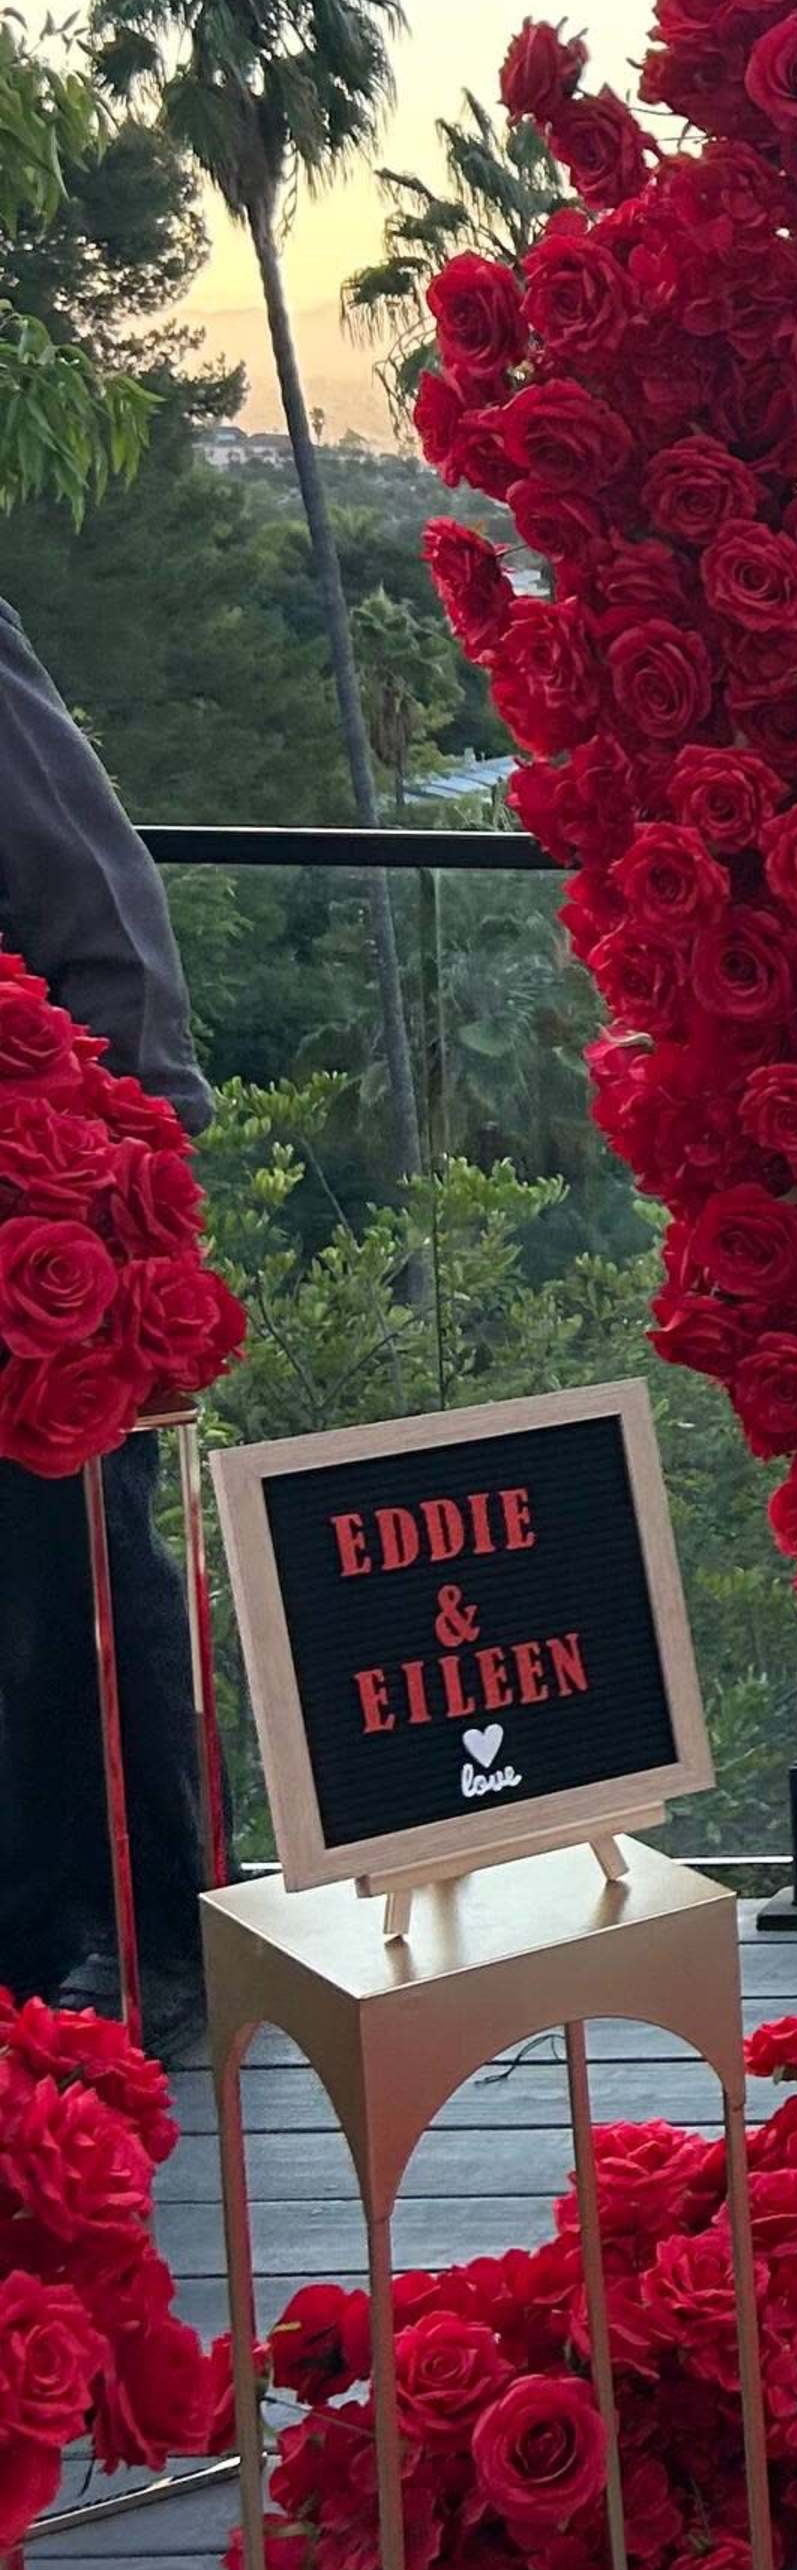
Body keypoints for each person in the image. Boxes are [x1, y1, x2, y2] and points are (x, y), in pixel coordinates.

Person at [0, 595, 218, 2056]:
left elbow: (100, 911)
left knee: (71, 1585)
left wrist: (114, 1193)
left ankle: (155, 1947)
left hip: (39, 1224)